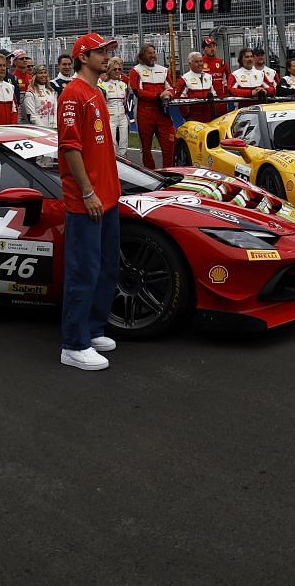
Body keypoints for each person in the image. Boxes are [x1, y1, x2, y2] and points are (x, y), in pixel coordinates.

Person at [56, 32, 122, 372]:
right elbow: (70, 148)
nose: (107, 56)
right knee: (84, 270)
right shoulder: (72, 94)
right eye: (101, 52)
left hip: (108, 197)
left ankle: (93, 329)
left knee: (107, 266)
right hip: (87, 201)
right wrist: (87, 191)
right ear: (83, 57)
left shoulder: (96, 92)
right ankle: (74, 344)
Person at [128, 43, 174, 169]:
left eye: (153, 53)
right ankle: (151, 173)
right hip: (144, 112)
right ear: (143, 55)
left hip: (162, 112)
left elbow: (171, 88)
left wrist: (168, 95)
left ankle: (168, 172)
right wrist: (158, 95)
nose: (153, 55)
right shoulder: (135, 70)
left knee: (169, 145)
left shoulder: (164, 70)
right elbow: (137, 91)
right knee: (146, 148)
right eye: (149, 53)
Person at [101, 55, 132, 160]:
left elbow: (126, 101)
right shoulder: (102, 84)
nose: (117, 71)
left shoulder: (123, 84)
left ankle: (124, 166)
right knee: (112, 144)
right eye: (115, 69)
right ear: (109, 69)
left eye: (119, 69)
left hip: (122, 116)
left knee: (124, 143)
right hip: (110, 117)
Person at [179, 56, 219, 123]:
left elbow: (215, 96)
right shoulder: (184, 78)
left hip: (209, 118)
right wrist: (187, 116)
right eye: (196, 62)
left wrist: (214, 113)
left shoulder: (209, 77)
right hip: (193, 119)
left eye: (201, 61)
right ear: (190, 64)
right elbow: (180, 100)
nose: (200, 64)